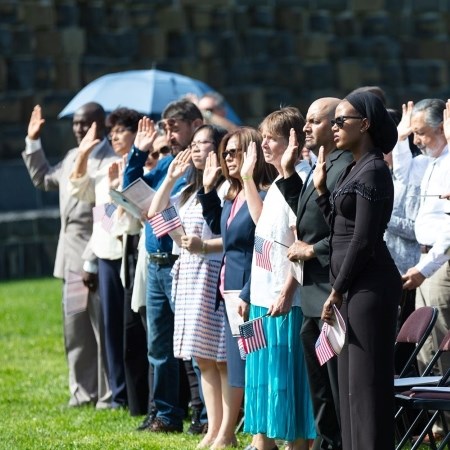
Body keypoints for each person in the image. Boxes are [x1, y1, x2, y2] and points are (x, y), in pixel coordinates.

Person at [313, 91, 402, 450]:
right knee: (349, 389)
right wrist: (322, 193)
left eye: (341, 120)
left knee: (366, 389)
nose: (334, 127)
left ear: (364, 124)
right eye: (332, 121)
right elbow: (339, 229)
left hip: (369, 288)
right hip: (351, 287)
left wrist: (336, 290)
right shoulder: (353, 167)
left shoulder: (376, 170)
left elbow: (363, 240)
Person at [122, 99, 204, 433]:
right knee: (159, 346)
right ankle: (166, 415)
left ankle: (204, 416)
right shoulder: (168, 161)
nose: (169, 134)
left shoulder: (201, 165)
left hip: (182, 263)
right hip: (156, 265)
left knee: (196, 346)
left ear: (195, 125)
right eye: (166, 127)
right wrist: (138, 153)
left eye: (175, 126)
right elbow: (131, 192)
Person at [22, 103, 111, 408]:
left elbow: (106, 218)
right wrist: (33, 141)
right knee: (77, 331)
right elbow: (43, 178)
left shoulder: (111, 161)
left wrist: (91, 259)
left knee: (101, 330)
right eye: (75, 123)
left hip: (96, 258)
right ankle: (82, 393)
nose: (79, 129)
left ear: (101, 125)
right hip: (69, 259)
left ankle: (107, 394)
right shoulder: (73, 157)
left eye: (85, 123)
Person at [149, 124, 231, 448]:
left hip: (213, 277)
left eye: (204, 143)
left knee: (221, 358)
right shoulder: (187, 192)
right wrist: (169, 177)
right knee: (203, 358)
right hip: (189, 277)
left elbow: (234, 237)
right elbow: (156, 215)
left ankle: (225, 429)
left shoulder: (226, 189)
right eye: (193, 144)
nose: (196, 150)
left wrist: (202, 247)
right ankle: (212, 428)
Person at [277, 97, 352, 450]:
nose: (304, 128)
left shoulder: (346, 163)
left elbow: (349, 229)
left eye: (313, 121)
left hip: (330, 289)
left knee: (335, 385)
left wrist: (314, 249)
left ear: (335, 123)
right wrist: (289, 174)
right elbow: (309, 216)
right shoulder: (317, 162)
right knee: (319, 386)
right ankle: (327, 442)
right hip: (311, 293)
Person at [197, 127, 277, 448]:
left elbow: (263, 244)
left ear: (252, 154)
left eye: (234, 152)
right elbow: (221, 229)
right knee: (240, 367)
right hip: (229, 295)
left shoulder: (265, 193)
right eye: (225, 153)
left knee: (254, 366)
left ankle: (260, 439)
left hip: (250, 292)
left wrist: (246, 293)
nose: (227, 158)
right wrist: (206, 190)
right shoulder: (232, 195)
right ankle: (246, 436)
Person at [244, 107, 316, 450]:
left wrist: (288, 291)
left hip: (284, 299)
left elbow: (299, 241)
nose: (264, 143)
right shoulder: (275, 182)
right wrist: (246, 179)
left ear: (293, 140)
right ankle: (264, 443)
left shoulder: (299, 182)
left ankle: (297, 445)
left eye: (271, 137)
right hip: (262, 293)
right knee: (264, 374)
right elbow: (265, 229)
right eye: (264, 137)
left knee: (286, 377)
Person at [396, 98, 450, 377]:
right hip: (425, 260)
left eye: (420, 132)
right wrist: (401, 136)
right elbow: (402, 174)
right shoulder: (431, 161)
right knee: (426, 347)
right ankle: (436, 420)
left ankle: (444, 420)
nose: (416, 140)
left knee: (440, 346)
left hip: (438, 264)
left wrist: (424, 269)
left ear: (442, 128)